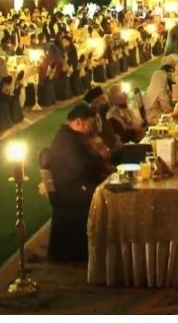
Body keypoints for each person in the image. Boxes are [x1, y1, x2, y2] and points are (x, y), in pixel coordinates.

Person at [46, 103, 108, 262]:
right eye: (89, 124)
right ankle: (102, 248)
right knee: (106, 194)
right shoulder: (65, 140)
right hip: (71, 191)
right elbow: (80, 167)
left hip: (78, 185)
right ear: (79, 122)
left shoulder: (73, 136)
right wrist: (98, 157)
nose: (90, 128)